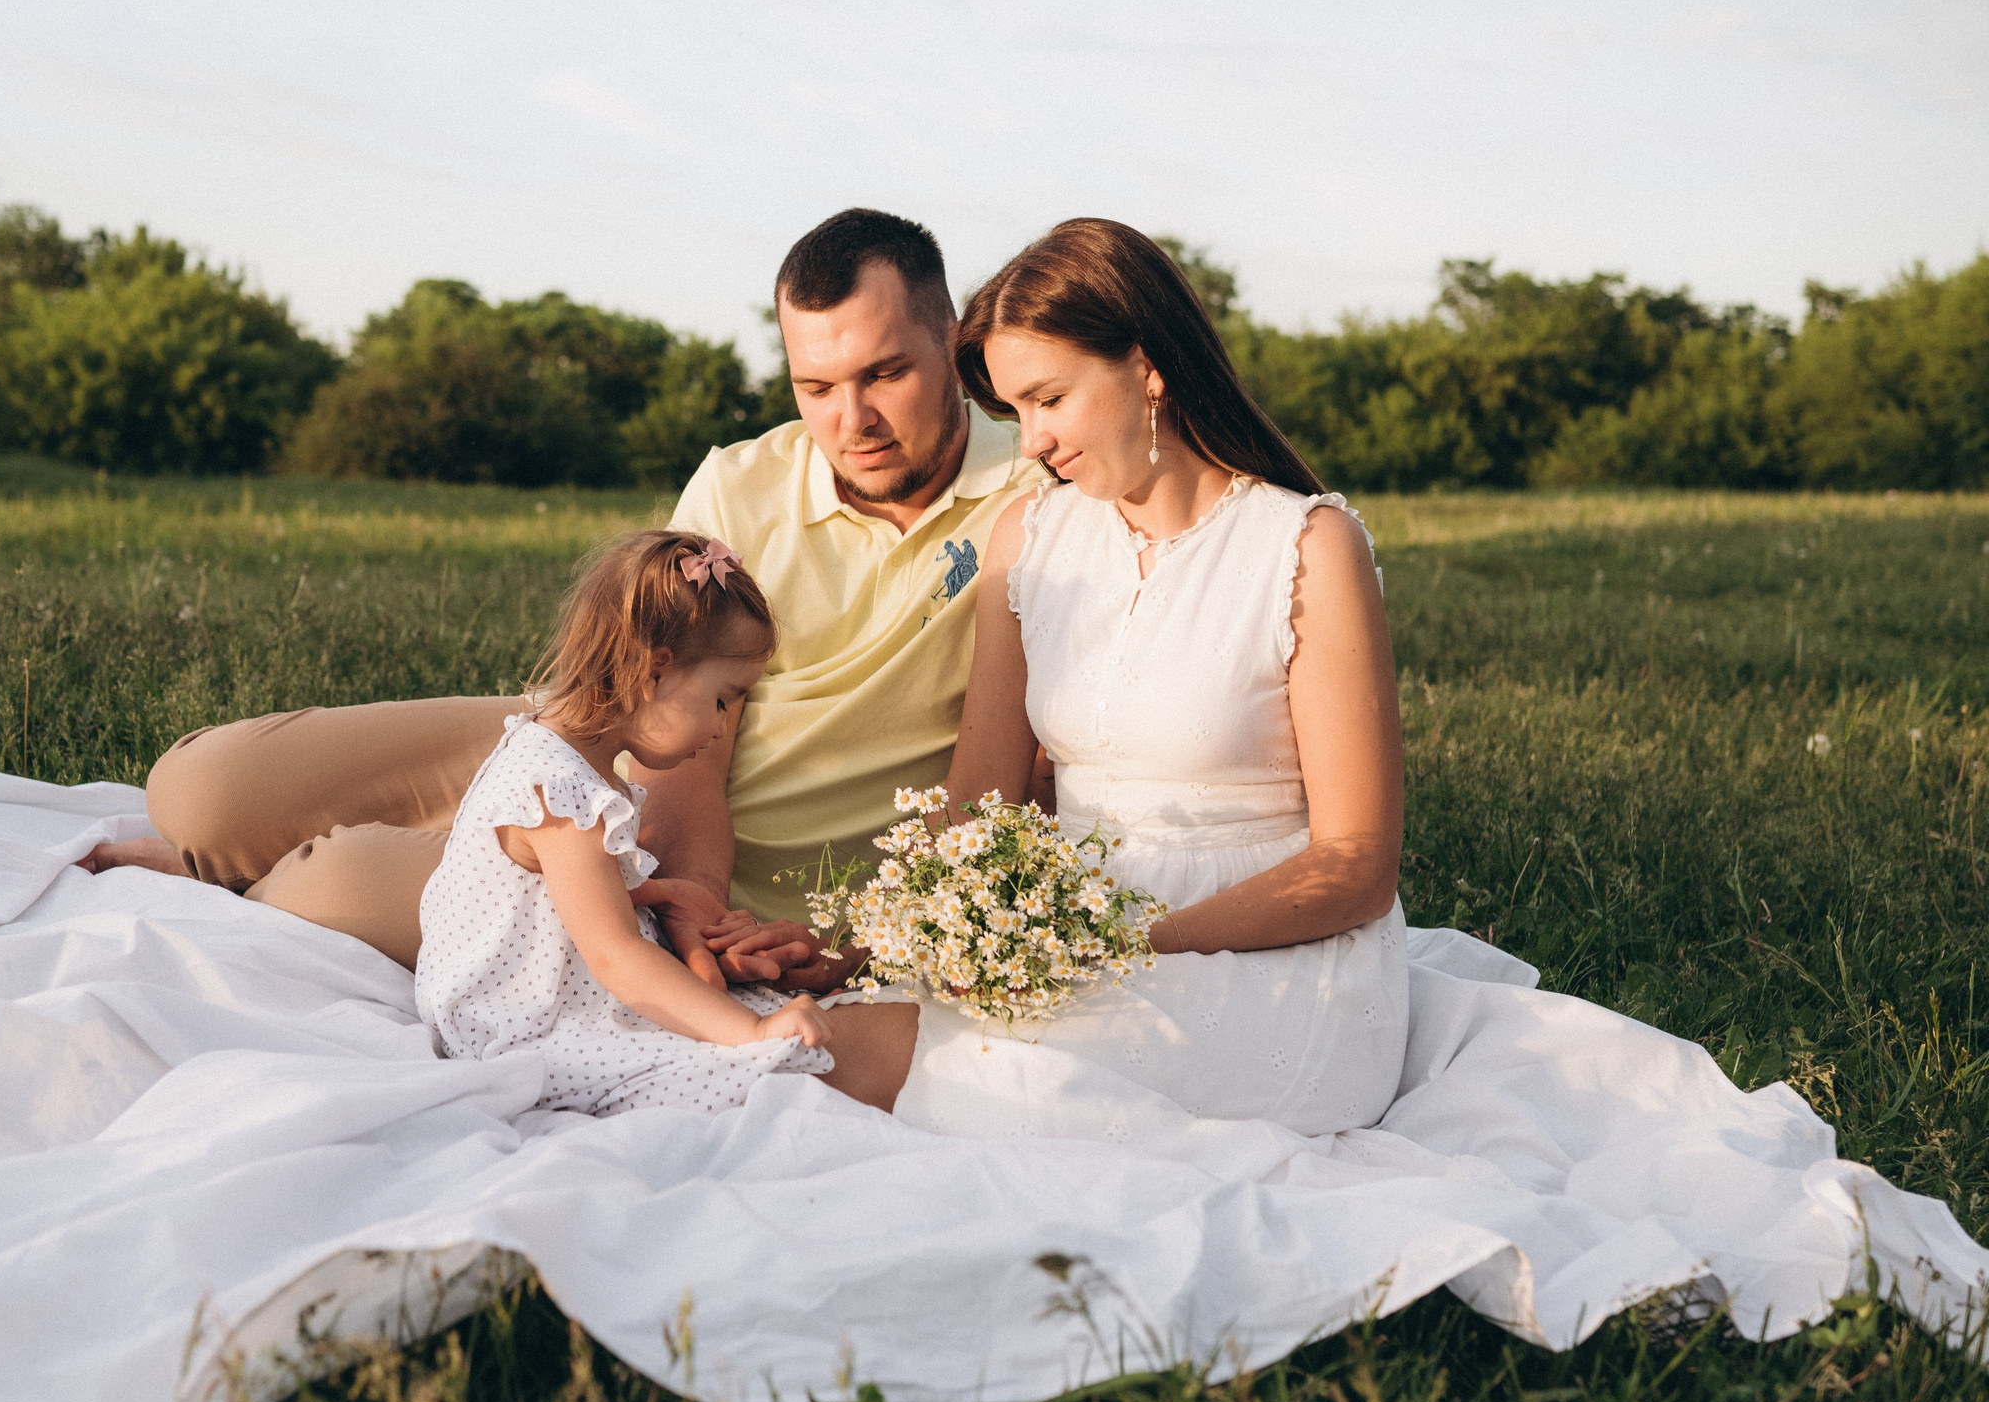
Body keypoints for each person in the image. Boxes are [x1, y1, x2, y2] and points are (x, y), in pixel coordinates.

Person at [84, 210, 1042, 995]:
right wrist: (689, 888)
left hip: (668, 876)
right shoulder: (741, 482)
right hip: (605, 750)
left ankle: (243, 886)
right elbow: (679, 745)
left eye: (885, 374)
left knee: (329, 884)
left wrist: (687, 916)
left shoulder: (1037, 504)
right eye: (816, 386)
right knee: (201, 789)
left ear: (951, 343)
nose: (852, 421)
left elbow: (998, 788)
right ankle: (221, 853)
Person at [795, 217, 1415, 1134]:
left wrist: (1128, 943)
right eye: (1015, 411)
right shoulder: (1031, 540)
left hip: (1268, 960)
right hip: (1061, 933)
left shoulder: (1306, 546)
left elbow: (1356, 865)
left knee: (889, 1074)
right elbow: (977, 808)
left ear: (1146, 364)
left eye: (1050, 398)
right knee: (811, 1044)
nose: (1032, 441)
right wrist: (876, 944)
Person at [418, 529, 865, 1113]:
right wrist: (749, 1034)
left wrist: (664, 892)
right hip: (518, 1022)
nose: (721, 727)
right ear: (654, 674)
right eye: (724, 700)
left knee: (758, 1029)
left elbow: (569, 895)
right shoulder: (561, 793)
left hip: (561, 990)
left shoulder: (566, 757)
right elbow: (615, 956)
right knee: (751, 1069)